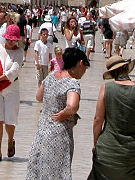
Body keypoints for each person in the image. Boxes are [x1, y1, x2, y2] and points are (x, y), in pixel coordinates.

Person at [26, 48, 90, 180]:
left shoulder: (51, 76)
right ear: (80, 63)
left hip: (41, 132)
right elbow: (72, 106)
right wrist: (65, 113)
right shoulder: (72, 83)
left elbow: (39, 96)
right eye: (85, 68)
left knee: (39, 172)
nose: (84, 72)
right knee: (58, 173)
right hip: (59, 135)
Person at [87, 56, 135, 180]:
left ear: (111, 73)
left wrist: (96, 144)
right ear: (127, 69)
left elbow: (98, 120)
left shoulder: (106, 89)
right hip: (131, 151)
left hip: (107, 148)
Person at [0, 23, 24, 162]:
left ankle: (10, 139)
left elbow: (13, 71)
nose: (11, 42)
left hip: (11, 88)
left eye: (13, 39)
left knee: (9, 120)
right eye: (9, 39)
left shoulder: (19, 52)